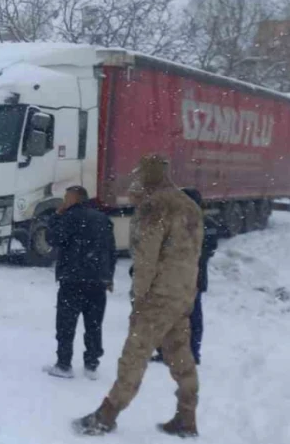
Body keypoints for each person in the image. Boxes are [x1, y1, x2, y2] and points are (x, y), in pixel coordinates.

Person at [74, 155, 204, 438]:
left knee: (135, 354)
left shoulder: (154, 206)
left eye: (139, 175)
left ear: (148, 177)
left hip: (157, 295)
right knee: (180, 353)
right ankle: (187, 415)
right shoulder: (190, 206)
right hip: (183, 294)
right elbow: (194, 252)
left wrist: (139, 296)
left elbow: (146, 258)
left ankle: (107, 414)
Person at [43, 185, 116, 380]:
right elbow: (111, 250)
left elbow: (52, 239)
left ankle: (64, 364)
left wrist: (56, 217)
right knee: (94, 324)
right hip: (97, 280)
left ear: (75, 199)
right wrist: (108, 277)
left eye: (67, 197)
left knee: (66, 324)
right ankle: (92, 364)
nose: (64, 201)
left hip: (73, 279)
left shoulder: (69, 217)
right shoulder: (103, 219)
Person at [152, 188, 221, 366]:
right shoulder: (208, 223)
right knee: (193, 316)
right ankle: (192, 352)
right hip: (195, 277)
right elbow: (210, 249)